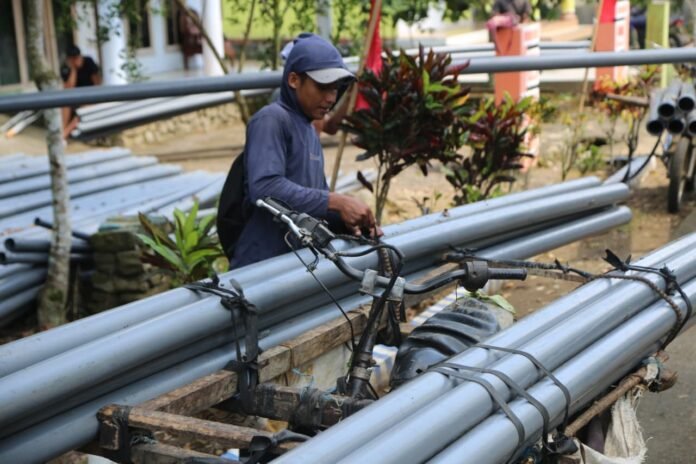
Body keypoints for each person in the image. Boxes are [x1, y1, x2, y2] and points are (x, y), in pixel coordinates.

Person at [218, 33, 378, 269]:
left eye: (335, 89)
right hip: (260, 269)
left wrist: (350, 220)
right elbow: (265, 188)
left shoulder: (309, 131)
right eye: (322, 87)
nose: (330, 98)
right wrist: (336, 201)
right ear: (294, 80)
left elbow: (312, 205)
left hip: (294, 265)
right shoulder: (271, 119)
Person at [60, 45, 101, 139]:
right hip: (75, 97)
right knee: (65, 105)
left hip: (91, 97)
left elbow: (97, 83)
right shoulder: (66, 68)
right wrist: (73, 69)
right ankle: (63, 129)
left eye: (77, 58)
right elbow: (68, 89)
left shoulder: (88, 62)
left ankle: (64, 134)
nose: (75, 60)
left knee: (82, 110)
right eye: (72, 59)